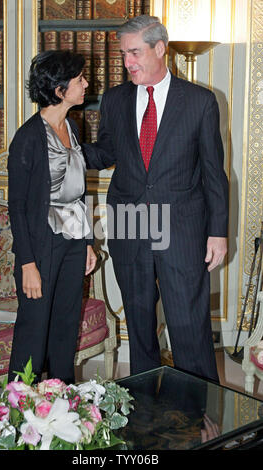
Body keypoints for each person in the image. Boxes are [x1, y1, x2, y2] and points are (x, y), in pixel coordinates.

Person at [82, 15, 228, 383]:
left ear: (160, 48)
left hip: (181, 229)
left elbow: (214, 173)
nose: (127, 62)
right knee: (140, 326)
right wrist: (63, 148)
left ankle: (201, 417)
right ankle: (146, 414)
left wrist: (218, 232)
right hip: (131, 223)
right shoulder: (115, 99)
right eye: (124, 54)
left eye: (134, 52)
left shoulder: (200, 101)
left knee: (189, 327)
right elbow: (105, 153)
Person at [7, 50, 97, 384]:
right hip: (40, 245)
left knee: (64, 330)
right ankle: (16, 418)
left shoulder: (72, 127)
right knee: (33, 333)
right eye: (80, 80)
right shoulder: (29, 137)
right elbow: (16, 205)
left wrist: (86, 242)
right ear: (60, 91)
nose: (86, 84)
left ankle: (65, 410)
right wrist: (27, 263)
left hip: (73, 242)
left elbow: (77, 190)